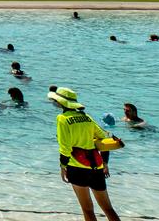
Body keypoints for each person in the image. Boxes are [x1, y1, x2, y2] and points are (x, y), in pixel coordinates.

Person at [49, 87, 122, 221]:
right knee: (108, 208)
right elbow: (104, 138)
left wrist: (62, 167)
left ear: (60, 102)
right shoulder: (86, 117)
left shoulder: (62, 118)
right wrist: (105, 163)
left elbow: (65, 146)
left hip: (77, 168)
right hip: (96, 167)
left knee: (87, 210)